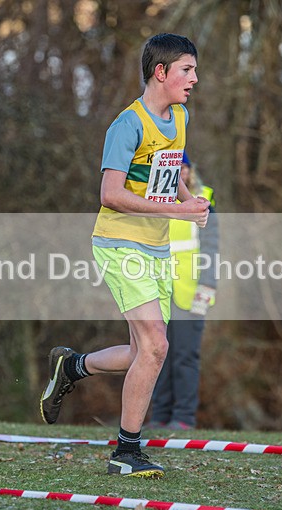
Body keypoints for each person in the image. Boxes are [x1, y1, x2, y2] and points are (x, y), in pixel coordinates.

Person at [40, 33, 209, 478]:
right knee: (157, 345)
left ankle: (72, 366)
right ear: (161, 72)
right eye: (187, 70)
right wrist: (178, 211)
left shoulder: (181, 116)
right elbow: (110, 194)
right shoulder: (127, 125)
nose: (194, 78)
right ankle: (126, 452)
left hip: (156, 247)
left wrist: (190, 201)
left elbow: (167, 173)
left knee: (142, 352)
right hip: (119, 243)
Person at [147, 152, 218, 430]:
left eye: (185, 167)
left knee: (185, 356)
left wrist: (207, 287)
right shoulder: (155, 201)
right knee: (157, 354)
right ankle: (160, 416)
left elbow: (211, 248)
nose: (181, 172)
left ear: (191, 171)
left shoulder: (204, 200)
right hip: (160, 290)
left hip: (192, 292)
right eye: (177, 168)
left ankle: (184, 418)